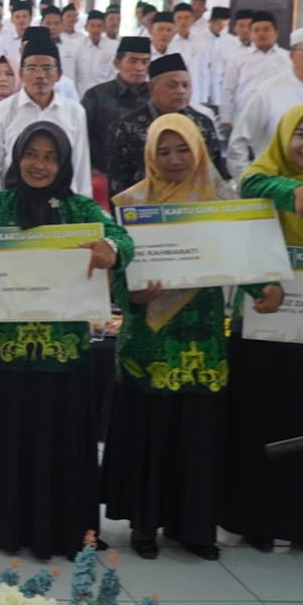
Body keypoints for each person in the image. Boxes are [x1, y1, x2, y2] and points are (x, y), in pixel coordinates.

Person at [101, 113, 279, 560]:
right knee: (151, 429)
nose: (175, 159)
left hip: (201, 339)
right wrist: (131, 292)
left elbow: (244, 257)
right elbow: (118, 271)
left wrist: (265, 289)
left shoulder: (221, 199)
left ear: (199, 150)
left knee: (196, 432)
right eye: (164, 151)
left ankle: (193, 525)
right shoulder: (133, 204)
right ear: (150, 155)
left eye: (183, 149)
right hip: (149, 339)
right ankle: (145, 523)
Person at [0, 122, 129, 561]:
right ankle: (2, 522)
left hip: (60, 356)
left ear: (64, 163)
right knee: (7, 442)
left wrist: (112, 249)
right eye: (32, 154)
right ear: (17, 158)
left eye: (51, 157)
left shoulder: (80, 209)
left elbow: (122, 237)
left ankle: (58, 524)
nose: (39, 164)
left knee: (57, 445)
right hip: (1, 355)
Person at [226, 102, 303, 553]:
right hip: (266, 320)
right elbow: (251, 182)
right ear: (284, 136)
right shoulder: (263, 178)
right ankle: (255, 519)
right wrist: (293, 191)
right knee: (261, 417)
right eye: (301, 134)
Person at [0, 34, 91, 198]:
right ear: (21, 74)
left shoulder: (75, 112)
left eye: (47, 68)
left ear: (59, 74)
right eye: (31, 68)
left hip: (61, 205)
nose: (39, 75)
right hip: (13, 204)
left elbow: (80, 167)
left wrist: (81, 211)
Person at [105, 53, 230, 194]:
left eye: (186, 85)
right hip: (147, 207)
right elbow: (118, 183)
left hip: (197, 206)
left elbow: (217, 171)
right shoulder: (126, 127)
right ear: (151, 89)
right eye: (172, 86)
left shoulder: (202, 123)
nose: (181, 91)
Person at [228, 27, 303, 176]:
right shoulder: (268, 91)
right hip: (275, 182)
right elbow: (238, 142)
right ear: (292, 55)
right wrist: (248, 182)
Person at [81, 37, 152, 176]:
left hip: (148, 178)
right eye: (132, 61)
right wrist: (91, 168)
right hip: (105, 176)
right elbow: (82, 137)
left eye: (145, 62)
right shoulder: (96, 96)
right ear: (117, 63)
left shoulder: (155, 96)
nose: (139, 67)